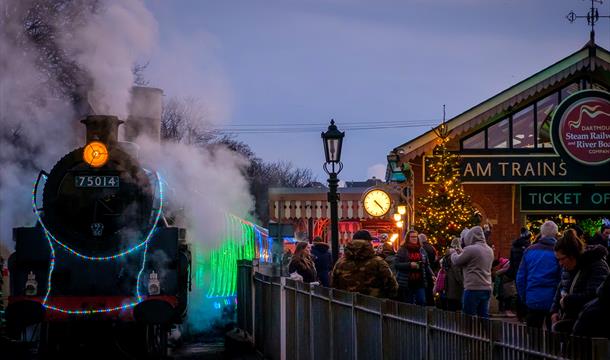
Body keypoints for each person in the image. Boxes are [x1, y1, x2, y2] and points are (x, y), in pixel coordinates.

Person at [550, 229, 609, 333]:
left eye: (562, 259)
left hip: (590, 327)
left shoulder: (597, 266)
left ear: (572, 256)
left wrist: (568, 301)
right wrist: (554, 311)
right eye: (557, 260)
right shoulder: (568, 267)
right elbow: (561, 287)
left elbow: (596, 296)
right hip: (570, 322)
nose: (560, 263)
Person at [516, 221, 561, 329]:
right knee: (554, 336)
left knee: (534, 337)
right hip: (553, 299)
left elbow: (520, 278)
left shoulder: (529, 250)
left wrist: (524, 297)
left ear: (541, 233)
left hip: (533, 298)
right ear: (555, 233)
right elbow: (562, 278)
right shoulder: (559, 252)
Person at [331, 230, 398, 299]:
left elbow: (333, 284)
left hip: (347, 303)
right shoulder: (378, 262)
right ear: (368, 243)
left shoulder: (340, 262)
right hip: (373, 305)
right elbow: (392, 285)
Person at [450, 226, 494, 318]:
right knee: (483, 315)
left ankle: (469, 332)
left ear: (471, 237)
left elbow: (457, 261)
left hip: (473, 288)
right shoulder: (489, 250)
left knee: (468, 317)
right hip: (487, 287)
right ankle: (486, 332)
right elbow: (472, 262)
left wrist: (453, 252)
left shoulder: (471, 249)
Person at [395, 230, 434, 306]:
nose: (414, 238)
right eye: (412, 237)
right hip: (407, 282)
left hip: (420, 281)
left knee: (422, 301)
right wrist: (409, 265)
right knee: (409, 303)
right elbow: (396, 264)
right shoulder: (402, 250)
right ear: (408, 238)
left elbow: (426, 265)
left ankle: (420, 317)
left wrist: (432, 275)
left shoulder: (421, 250)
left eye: (416, 237)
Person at [507, 227, 531, 320]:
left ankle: (520, 315)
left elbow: (511, 261)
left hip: (517, 272)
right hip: (526, 272)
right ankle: (525, 314)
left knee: (519, 293)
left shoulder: (514, 246)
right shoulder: (528, 247)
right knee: (525, 293)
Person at [436, 237, 464, 311]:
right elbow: (457, 272)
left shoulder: (447, 256)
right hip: (454, 286)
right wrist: (462, 283)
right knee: (454, 307)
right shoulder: (455, 256)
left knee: (449, 306)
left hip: (447, 285)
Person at [418, 233, 438, 306]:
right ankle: (431, 304)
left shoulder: (421, 248)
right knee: (430, 290)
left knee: (426, 291)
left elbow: (425, 262)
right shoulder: (432, 248)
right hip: (431, 270)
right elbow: (436, 260)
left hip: (425, 272)